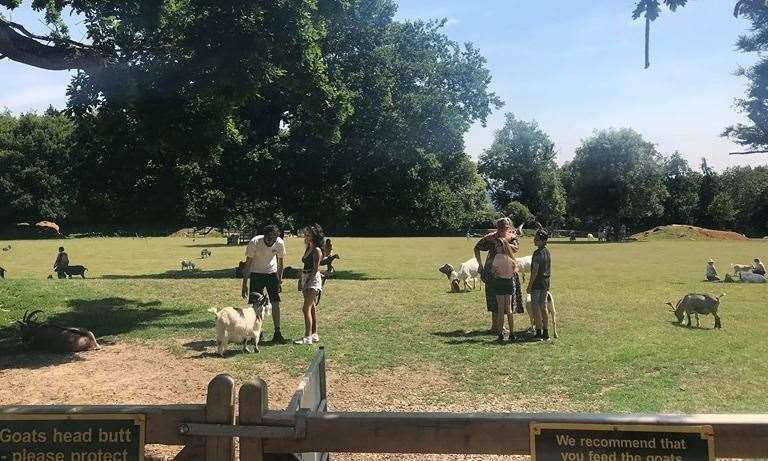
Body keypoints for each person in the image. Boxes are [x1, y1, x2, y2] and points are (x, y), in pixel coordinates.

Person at [241, 224, 287, 343]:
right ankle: (257, 332)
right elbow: (248, 263)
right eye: (268, 239)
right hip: (256, 274)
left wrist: (279, 280)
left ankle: (277, 332)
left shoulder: (279, 243)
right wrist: (244, 283)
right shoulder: (255, 242)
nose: (270, 241)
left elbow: (281, 263)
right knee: (257, 304)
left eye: (273, 239)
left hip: (272, 273)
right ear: (264, 236)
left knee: (275, 302)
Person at [474, 217, 521, 334]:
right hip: (492, 271)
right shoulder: (490, 238)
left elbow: (516, 249)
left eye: (504, 227)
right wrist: (480, 265)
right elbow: (477, 247)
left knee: (507, 301)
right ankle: (495, 326)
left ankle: (502, 326)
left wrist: (504, 243)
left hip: (508, 271)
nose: (501, 229)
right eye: (499, 227)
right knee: (493, 298)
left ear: (508, 227)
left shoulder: (512, 237)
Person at [295, 224, 325, 345]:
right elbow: (305, 266)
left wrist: (308, 281)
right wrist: (301, 279)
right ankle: (314, 334)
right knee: (311, 307)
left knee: (305, 308)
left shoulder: (317, 250)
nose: (306, 235)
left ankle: (307, 337)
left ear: (315, 235)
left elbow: (316, 268)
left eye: (309, 233)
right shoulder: (308, 248)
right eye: (306, 233)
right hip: (305, 276)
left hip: (313, 279)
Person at [491, 237, 519, 342]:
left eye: (497, 245)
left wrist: (495, 272)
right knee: (509, 309)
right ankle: (512, 333)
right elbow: (516, 269)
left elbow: (493, 270)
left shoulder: (498, 257)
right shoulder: (510, 257)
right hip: (509, 283)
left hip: (499, 283)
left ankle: (500, 334)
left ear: (501, 246)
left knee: (501, 310)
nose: (496, 247)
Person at [527, 229, 552, 341]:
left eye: (537, 239)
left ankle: (538, 331)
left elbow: (535, 271)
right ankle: (546, 332)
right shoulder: (547, 251)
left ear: (542, 240)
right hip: (546, 282)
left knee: (535, 307)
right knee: (543, 306)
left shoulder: (537, 253)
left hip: (537, 283)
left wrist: (529, 285)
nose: (534, 240)